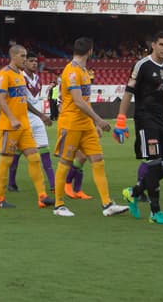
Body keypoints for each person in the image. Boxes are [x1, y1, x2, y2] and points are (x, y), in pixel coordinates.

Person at [54, 38, 129, 218]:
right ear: (90, 51)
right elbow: (78, 102)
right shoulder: (72, 71)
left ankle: (107, 204)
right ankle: (58, 205)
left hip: (85, 124)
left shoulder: (83, 71)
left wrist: (93, 123)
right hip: (71, 124)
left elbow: (85, 101)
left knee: (98, 160)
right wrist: (99, 120)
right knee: (65, 162)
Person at [115, 31, 163, 224]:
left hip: (161, 121)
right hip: (145, 119)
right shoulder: (142, 65)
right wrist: (120, 120)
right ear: (154, 45)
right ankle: (155, 212)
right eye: (162, 45)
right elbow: (128, 92)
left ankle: (133, 192)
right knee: (154, 162)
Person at [0, 45, 54, 210]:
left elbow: (22, 99)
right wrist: (12, 118)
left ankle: (42, 196)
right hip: (10, 126)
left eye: (26, 56)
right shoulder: (4, 74)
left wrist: (39, 115)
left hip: (24, 125)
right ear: (13, 56)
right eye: (23, 56)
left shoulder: (20, 75)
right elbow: (0, 98)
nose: (25, 59)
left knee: (34, 158)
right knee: (6, 161)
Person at [7, 53, 55, 199]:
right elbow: (24, 101)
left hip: (37, 120)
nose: (34, 63)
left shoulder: (37, 78)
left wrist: (40, 116)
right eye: (31, 61)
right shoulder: (20, 77)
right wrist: (41, 115)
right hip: (23, 119)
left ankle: (53, 185)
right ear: (25, 62)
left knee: (45, 149)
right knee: (17, 153)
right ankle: (11, 182)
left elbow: (34, 99)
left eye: (36, 61)